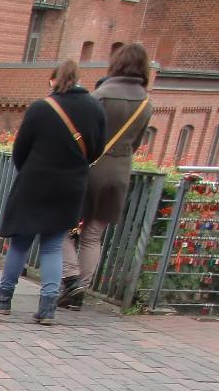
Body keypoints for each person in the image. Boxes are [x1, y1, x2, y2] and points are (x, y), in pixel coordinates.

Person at [0, 59, 105, 324]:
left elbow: (20, 149)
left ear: (54, 80)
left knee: (20, 242)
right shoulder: (94, 108)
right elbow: (97, 149)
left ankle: (4, 299)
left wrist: (30, 169)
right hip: (71, 186)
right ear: (78, 80)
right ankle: (48, 307)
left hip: (34, 182)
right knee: (52, 246)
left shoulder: (41, 108)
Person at [58, 42, 153, 309]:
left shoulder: (101, 96)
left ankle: (71, 280)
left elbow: (82, 135)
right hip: (120, 172)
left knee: (61, 226)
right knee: (93, 235)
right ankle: (81, 290)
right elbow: (136, 143)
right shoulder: (146, 103)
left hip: (91, 168)